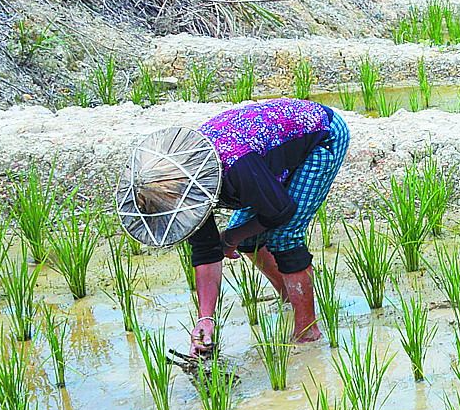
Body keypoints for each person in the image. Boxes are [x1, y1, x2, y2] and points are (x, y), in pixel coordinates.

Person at [115, 98, 351, 359]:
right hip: (268, 150)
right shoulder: (184, 188)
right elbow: (206, 250)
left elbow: (281, 211)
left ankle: (307, 333)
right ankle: (288, 296)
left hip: (321, 134)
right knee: (250, 241)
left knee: (285, 237)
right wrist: (205, 318)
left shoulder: (235, 167)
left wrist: (230, 237)